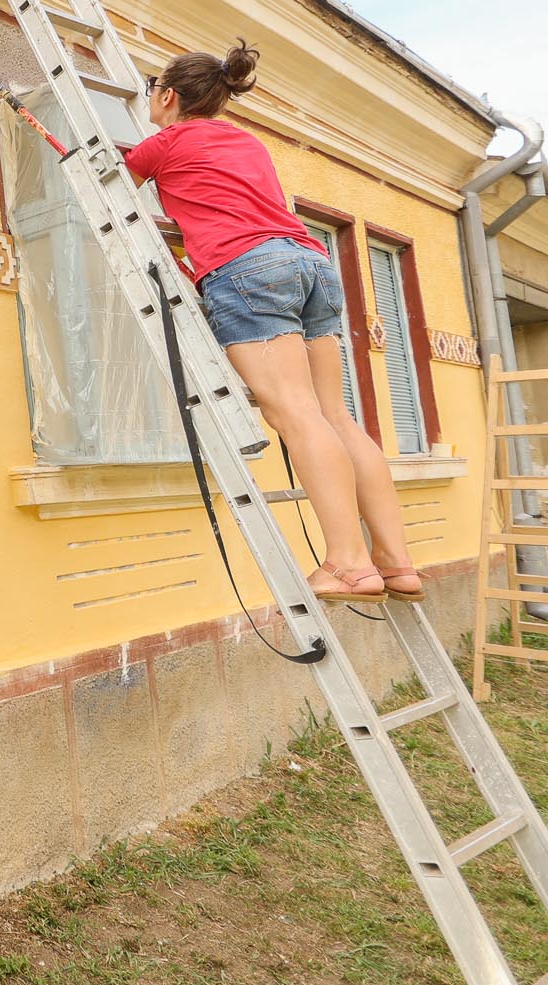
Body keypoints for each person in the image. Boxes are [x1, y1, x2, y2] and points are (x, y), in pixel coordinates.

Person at [127, 42, 417, 603]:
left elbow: (107, 178)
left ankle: (348, 565)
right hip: (310, 263)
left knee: (298, 414)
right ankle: (396, 562)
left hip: (249, 271)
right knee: (336, 414)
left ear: (167, 96)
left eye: (152, 94)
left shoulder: (164, 143)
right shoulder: (247, 141)